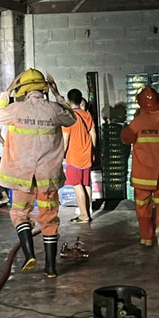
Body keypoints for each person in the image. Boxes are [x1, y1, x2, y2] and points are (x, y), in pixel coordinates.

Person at [0, 68, 77, 278]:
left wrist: (8, 90)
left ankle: (29, 254)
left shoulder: (16, 109)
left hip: (23, 177)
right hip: (47, 177)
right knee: (49, 218)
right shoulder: (54, 110)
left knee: (19, 213)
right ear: (44, 88)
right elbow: (72, 118)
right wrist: (58, 95)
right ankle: (51, 267)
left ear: (22, 89)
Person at [121, 86, 159, 250]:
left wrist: (133, 121)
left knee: (143, 205)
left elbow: (125, 139)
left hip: (143, 174)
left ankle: (147, 237)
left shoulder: (137, 122)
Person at [62, 88, 96, 223]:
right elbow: (93, 134)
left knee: (77, 185)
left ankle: (84, 215)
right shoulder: (87, 115)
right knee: (86, 184)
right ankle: (87, 211)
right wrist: (92, 151)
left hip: (74, 156)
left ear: (69, 101)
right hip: (86, 154)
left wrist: (60, 154)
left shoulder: (69, 117)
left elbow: (65, 140)